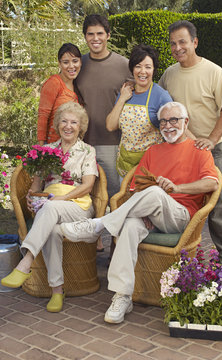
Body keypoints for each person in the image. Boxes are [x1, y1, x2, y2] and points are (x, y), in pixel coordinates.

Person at [60, 101, 219, 323]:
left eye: (174, 120)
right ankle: (122, 296)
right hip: (150, 214)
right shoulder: (153, 151)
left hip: (181, 216)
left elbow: (211, 184)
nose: (168, 125)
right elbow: (135, 189)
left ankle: (100, 225)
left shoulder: (198, 150)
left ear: (186, 122)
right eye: (163, 121)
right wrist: (144, 213)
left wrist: (177, 188)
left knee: (155, 193)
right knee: (130, 227)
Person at [1, 102, 98, 312]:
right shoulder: (46, 151)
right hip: (49, 204)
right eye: (64, 121)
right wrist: (31, 197)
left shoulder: (87, 151)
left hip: (77, 205)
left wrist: (60, 200)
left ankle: (25, 261)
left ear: (80, 126)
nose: (68, 126)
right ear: (57, 124)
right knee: (52, 229)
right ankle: (57, 290)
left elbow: (88, 185)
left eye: (74, 122)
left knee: (50, 208)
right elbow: (36, 185)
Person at [159, 20, 222, 263]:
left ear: (194, 42)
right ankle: (180, 257)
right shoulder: (169, 74)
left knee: (219, 203)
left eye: (182, 41)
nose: (177, 47)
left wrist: (212, 140)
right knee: (181, 199)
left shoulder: (214, 71)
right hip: (181, 150)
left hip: (212, 148)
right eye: (173, 43)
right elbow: (158, 102)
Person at [76, 14, 133, 252]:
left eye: (100, 33)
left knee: (113, 198)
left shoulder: (124, 65)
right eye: (91, 34)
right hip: (83, 143)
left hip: (112, 143)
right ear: (85, 36)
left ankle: (116, 250)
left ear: (108, 35)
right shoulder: (78, 64)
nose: (95, 38)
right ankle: (91, 245)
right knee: (85, 198)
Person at [106, 44, 172, 178]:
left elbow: (175, 126)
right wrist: (122, 98)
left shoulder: (161, 96)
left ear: (154, 70)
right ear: (132, 69)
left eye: (148, 67)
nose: (143, 71)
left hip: (150, 168)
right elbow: (110, 126)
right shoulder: (126, 91)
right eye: (138, 66)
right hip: (125, 166)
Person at [37, 43, 83, 145]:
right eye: (66, 62)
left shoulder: (79, 85)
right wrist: (42, 149)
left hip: (73, 148)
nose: (71, 66)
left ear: (80, 62)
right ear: (59, 64)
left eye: (75, 61)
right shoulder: (54, 83)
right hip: (53, 147)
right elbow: (43, 116)